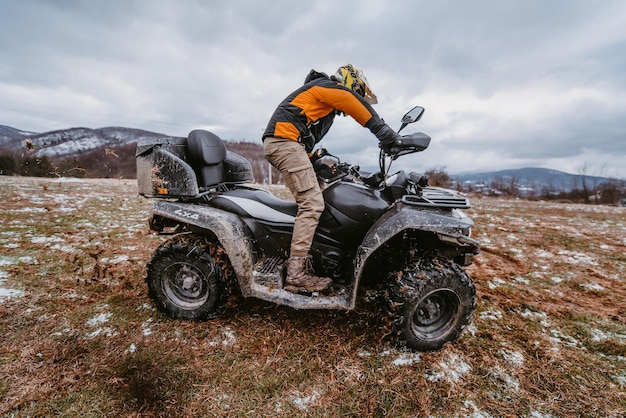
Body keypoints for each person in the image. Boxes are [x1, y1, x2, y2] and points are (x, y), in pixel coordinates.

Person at [262, 64, 401, 294]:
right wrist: (385, 134)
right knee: (312, 203)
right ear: (350, 83)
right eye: (357, 91)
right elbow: (352, 102)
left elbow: (306, 134)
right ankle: (296, 274)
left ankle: (317, 256)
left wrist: (315, 161)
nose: (356, 96)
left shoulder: (322, 106)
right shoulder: (327, 86)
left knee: (322, 197)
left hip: (289, 142)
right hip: (284, 142)